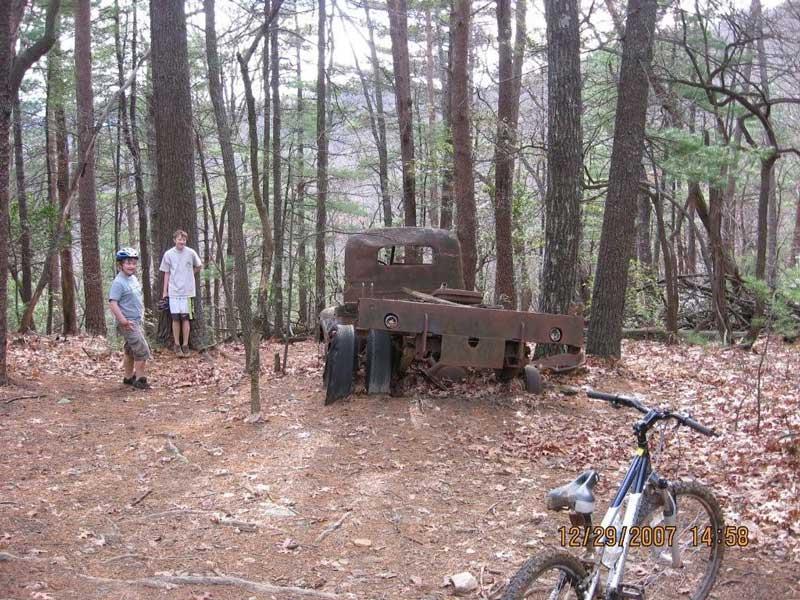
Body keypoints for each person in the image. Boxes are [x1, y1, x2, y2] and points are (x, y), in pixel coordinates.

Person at [109, 247, 151, 390]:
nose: (131, 266)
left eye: (133, 263)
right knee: (142, 350)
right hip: (128, 322)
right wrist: (123, 321)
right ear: (120, 265)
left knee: (130, 349)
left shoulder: (132, 279)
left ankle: (128, 377)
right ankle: (140, 380)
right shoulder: (118, 282)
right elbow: (113, 303)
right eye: (128, 263)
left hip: (136, 320)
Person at [160, 229, 202, 357]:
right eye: (179, 239)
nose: (181, 241)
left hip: (188, 292)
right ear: (174, 240)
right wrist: (164, 291)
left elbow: (199, 265)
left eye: (183, 239)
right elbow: (166, 272)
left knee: (186, 318)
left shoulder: (191, 253)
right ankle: (177, 345)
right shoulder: (168, 254)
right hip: (173, 292)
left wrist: (191, 274)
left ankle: (185, 345)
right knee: (175, 319)